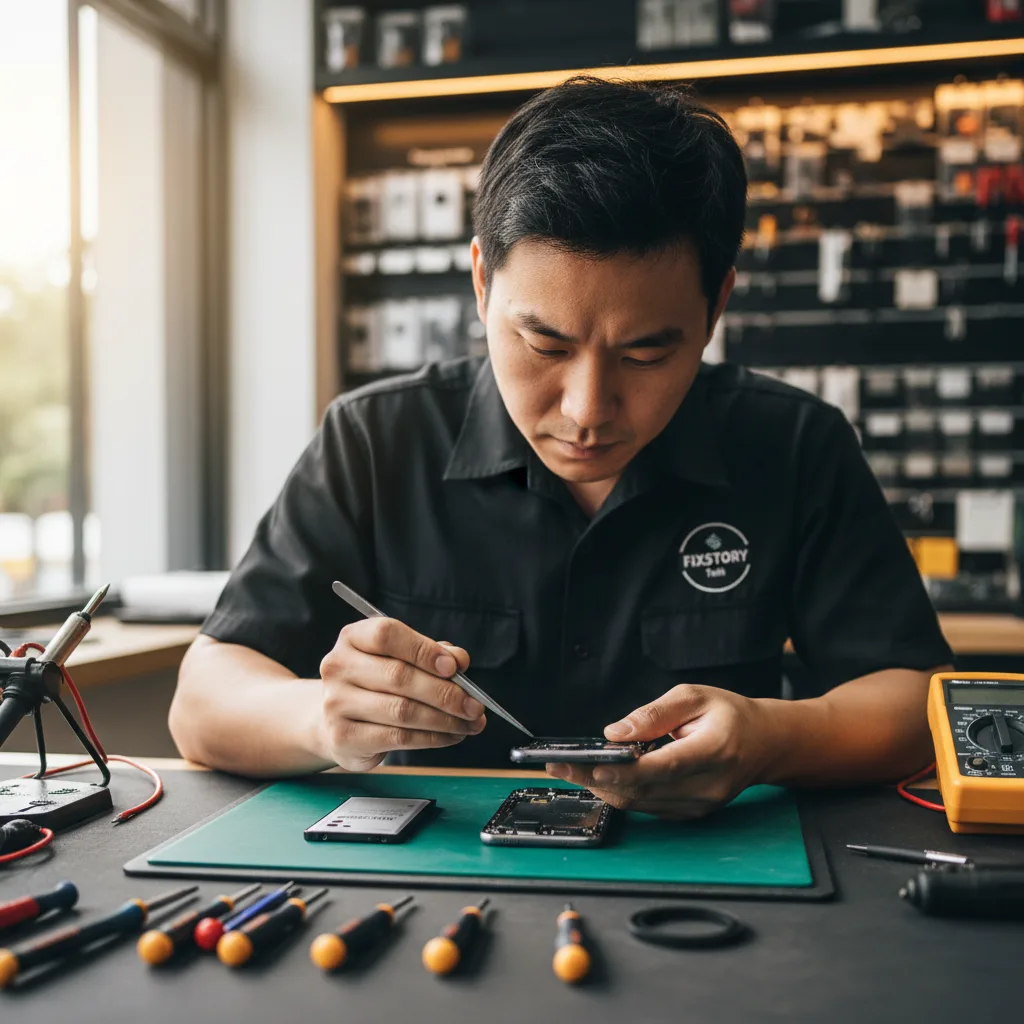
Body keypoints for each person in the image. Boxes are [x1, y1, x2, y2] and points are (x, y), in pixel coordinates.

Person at [169, 76, 952, 819]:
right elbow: (204, 701)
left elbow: (919, 702)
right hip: (432, 887)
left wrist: (775, 738)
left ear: (716, 308)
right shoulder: (375, 440)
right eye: (544, 344)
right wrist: (322, 717)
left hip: (715, 883)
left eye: (645, 354)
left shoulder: (793, 446)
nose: (587, 411)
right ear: (481, 285)